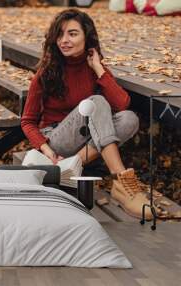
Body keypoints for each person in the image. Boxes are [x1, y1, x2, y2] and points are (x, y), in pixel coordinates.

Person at [21, 8, 154, 219]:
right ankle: (121, 180)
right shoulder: (46, 72)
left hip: (83, 143)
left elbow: (122, 104)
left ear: (87, 37)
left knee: (129, 119)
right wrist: (46, 149)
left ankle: (73, 165)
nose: (64, 40)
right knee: (97, 102)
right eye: (60, 34)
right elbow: (27, 122)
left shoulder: (93, 67)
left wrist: (99, 69)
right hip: (56, 141)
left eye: (72, 34)